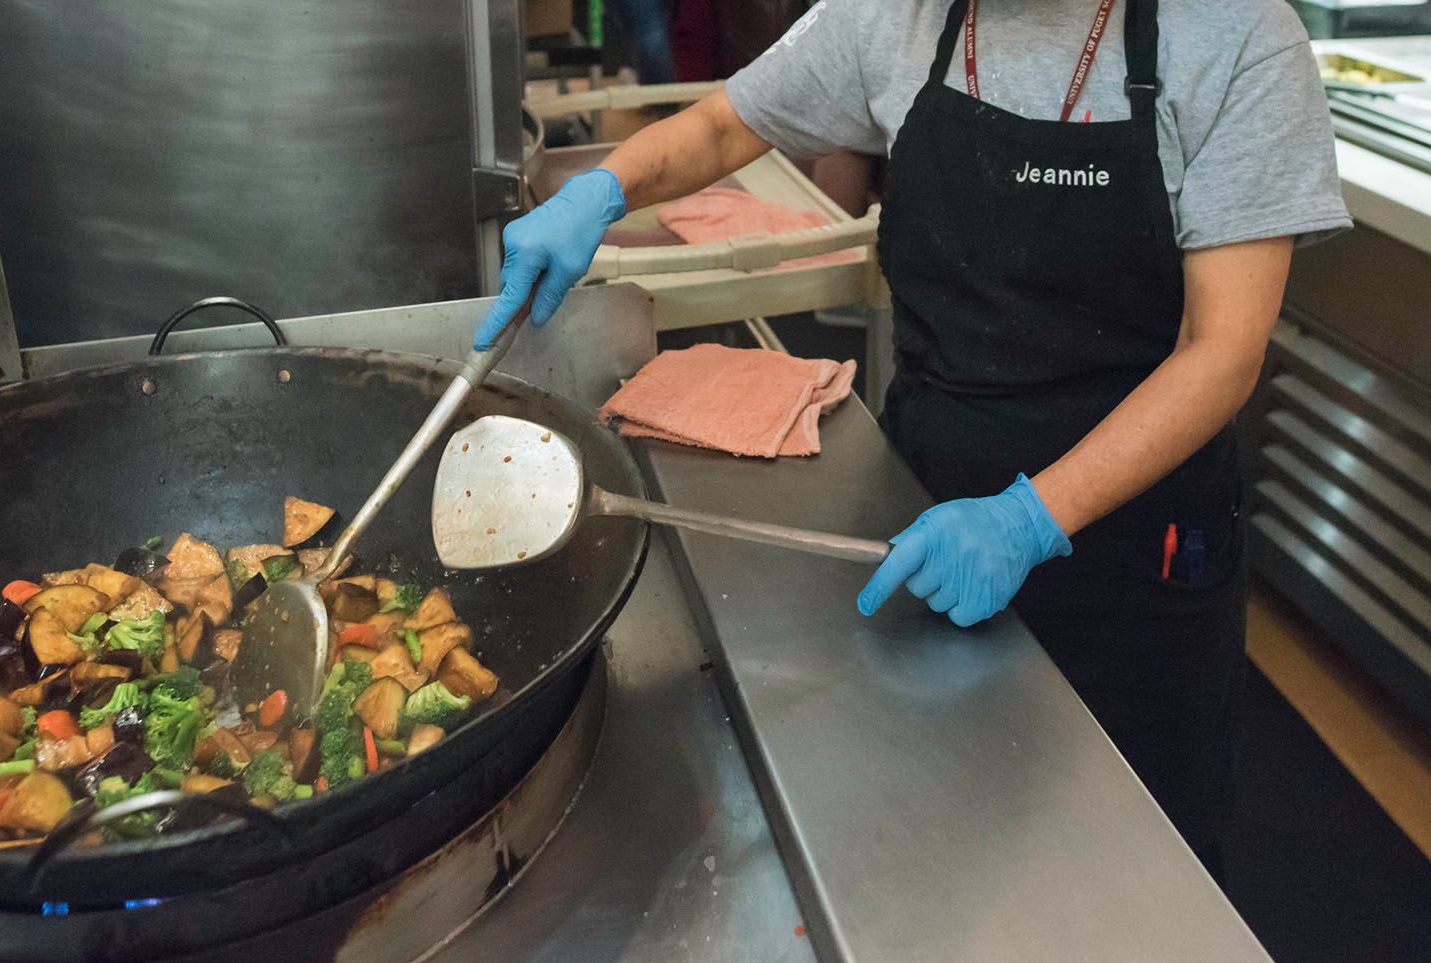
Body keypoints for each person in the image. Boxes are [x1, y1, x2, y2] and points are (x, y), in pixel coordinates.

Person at [473, 0, 1348, 863]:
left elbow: (1220, 353)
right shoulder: (895, 16)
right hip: (922, 503)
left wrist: (1029, 519)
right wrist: (606, 186)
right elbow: (723, 125)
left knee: (1124, 863)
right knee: (928, 836)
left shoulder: (1236, 36)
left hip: (1131, 560)